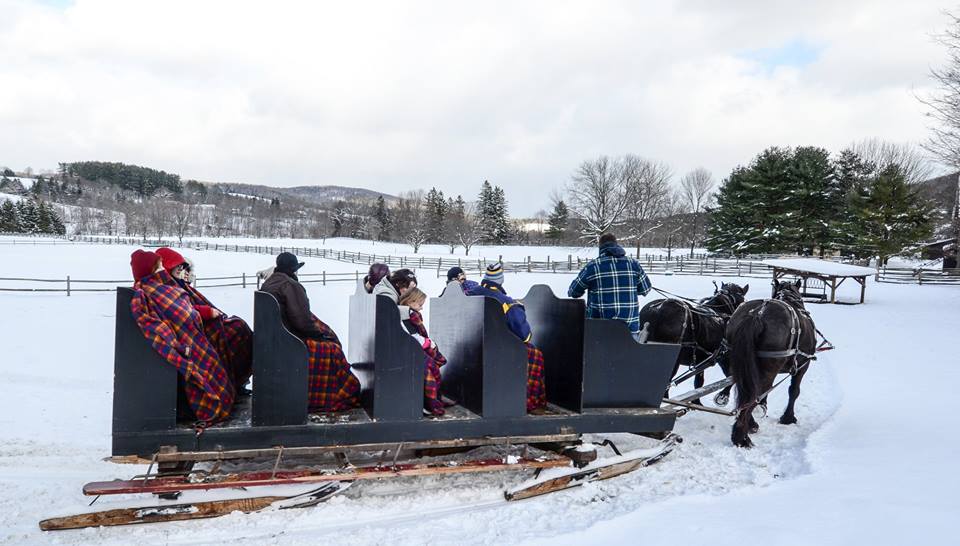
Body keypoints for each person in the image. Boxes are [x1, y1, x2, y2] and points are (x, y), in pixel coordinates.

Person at [128, 249, 235, 423]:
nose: (163, 268)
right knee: (208, 368)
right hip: (186, 341)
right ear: (153, 270)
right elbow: (180, 315)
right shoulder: (154, 290)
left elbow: (184, 309)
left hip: (193, 336)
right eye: (159, 266)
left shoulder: (164, 287)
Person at [260, 252, 360, 412]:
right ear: (293, 270)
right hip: (289, 340)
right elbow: (301, 319)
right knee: (332, 350)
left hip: (278, 337)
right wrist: (318, 335)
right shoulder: (290, 285)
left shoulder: (270, 282)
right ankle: (332, 395)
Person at [155, 247, 253, 390]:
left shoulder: (177, 283)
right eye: (178, 267)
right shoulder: (166, 287)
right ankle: (233, 380)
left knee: (238, 327)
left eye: (183, 267)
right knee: (236, 330)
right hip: (191, 331)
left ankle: (237, 379)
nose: (181, 270)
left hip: (197, 324)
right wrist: (207, 312)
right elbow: (180, 310)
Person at [465, 263, 546, 412]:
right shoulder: (507, 302)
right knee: (535, 354)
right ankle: (529, 400)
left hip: (470, 344)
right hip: (497, 347)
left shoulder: (469, 294)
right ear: (500, 280)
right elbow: (524, 335)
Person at [568, 233, 652, 342]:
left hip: (600, 329)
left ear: (601, 247)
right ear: (616, 244)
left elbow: (573, 292)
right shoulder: (633, 264)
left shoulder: (592, 266)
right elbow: (645, 289)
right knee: (628, 358)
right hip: (630, 329)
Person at [397, 287, 447, 416]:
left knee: (432, 362)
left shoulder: (405, 313)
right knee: (430, 366)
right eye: (420, 305)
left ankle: (435, 397)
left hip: (410, 348)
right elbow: (413, 337)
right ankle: (430, 402)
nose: (421, 308)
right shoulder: (409, 315)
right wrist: (429, 343)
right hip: (409, 351)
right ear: (410, 302)